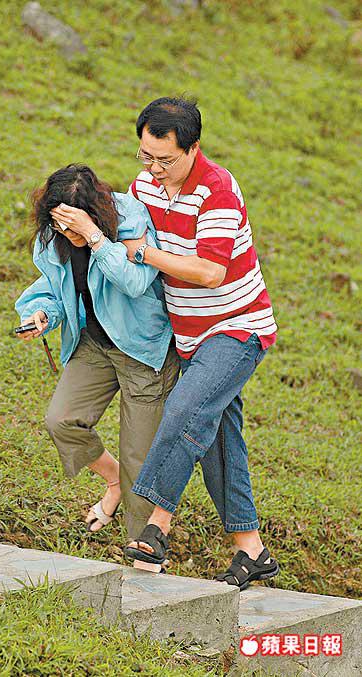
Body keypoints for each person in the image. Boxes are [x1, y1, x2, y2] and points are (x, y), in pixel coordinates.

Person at [121, 97, 280, 590]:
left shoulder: (218, 191)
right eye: (146, 156)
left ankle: (156, 526)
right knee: (218, 439)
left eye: (165, 160)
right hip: (189, 336)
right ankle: (251, 549)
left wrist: (145, 254)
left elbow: (210, 271)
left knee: (186, 410)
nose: (154, 168)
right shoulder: (144, 186)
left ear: (193, 149)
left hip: (238, 328)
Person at [15, 164, 179, 540]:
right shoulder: (54, 232)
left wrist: (94, 237)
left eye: (73, 226)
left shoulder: (131, 218)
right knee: (62, 421)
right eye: (60, 227)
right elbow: (54, 286)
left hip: (142, 349)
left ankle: (142, 548)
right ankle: (115, 481)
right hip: (94, 343)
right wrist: (42, 314)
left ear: (96, 214)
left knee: (139, 459)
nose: (66, 235)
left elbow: (135, 282)